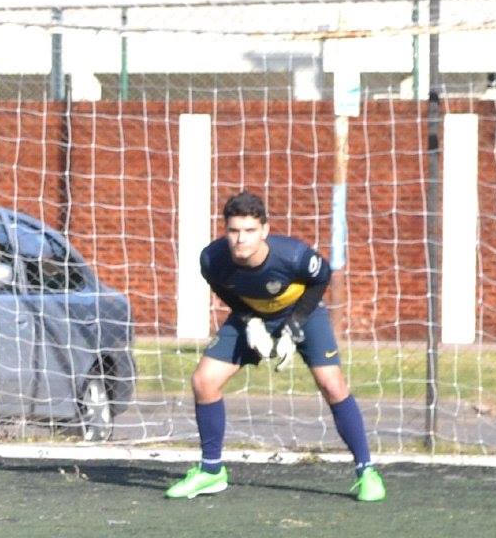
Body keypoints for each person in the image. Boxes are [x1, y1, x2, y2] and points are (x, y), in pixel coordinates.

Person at [165, 191, 385, 502]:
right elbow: (223, 289)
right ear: (225, 230)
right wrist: (249, 320)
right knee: (204, 380)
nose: (241, 239)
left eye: (250, 230)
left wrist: (294, 326)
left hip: (302, 313)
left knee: (332, 384)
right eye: (234, 230)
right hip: (253, 315)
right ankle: (211, 471)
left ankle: (366, 472)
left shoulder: (294, 256)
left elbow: (321, 279)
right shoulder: (212, 260)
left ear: (265, 230)